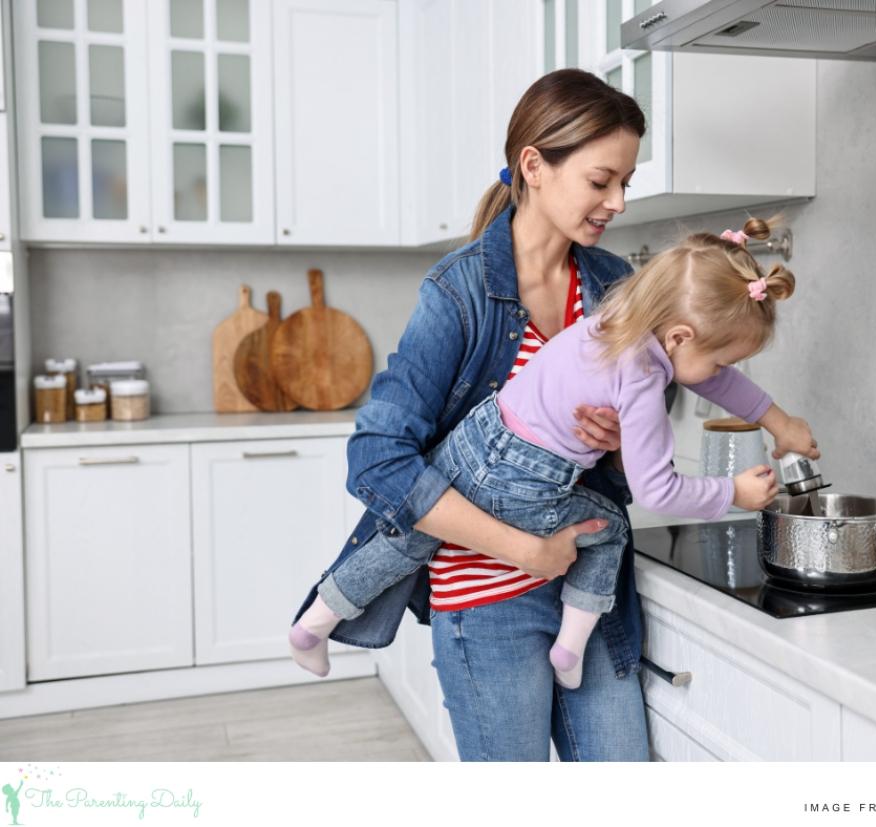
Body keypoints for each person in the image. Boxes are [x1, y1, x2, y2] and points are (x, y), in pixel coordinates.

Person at [290, 69, 819, 761]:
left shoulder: (614, 288)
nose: (618, 201)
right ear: (534, 165)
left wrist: (615, 449)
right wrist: (527, 550)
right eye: (602, 181)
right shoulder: (460, 292)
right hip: (485, 598)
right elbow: (379, 460)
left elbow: (646, 437)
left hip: (587, 591)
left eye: (625, 181)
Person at [290, 213, 811, 689]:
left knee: (411, 536)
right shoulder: (644, 379)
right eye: (723, 361)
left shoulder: (615, 320)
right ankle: (571, 647)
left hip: (478, 434)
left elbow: (711, 382)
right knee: (607, 530)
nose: (721, 376)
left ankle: (316, 623)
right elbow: (658, 488)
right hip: (523, 478)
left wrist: (778, 421)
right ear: (678, 336)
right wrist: (732, 493)